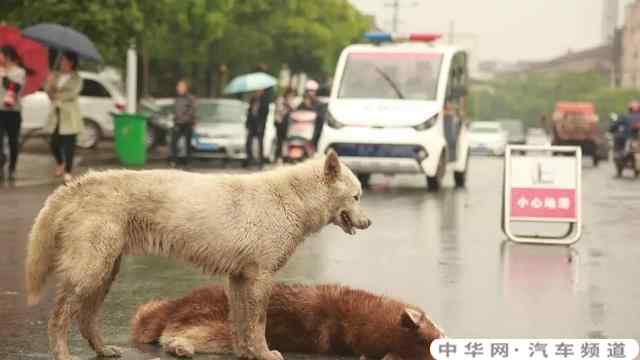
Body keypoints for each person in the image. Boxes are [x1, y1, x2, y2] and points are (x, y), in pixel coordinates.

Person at [44, 51, 83, 183]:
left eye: (64, 60)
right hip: (56, 115)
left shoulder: (77, 78)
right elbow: (49, 94)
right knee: (53, 142)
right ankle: (60, 162)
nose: (62, 62)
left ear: (71, 62)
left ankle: (68, 171)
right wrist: (49, 85)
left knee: (69, 144)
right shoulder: (55, 75)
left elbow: (72, 94)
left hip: (70, 115)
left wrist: (56, 94)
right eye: (61, 60)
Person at [0, 46, 26, 181]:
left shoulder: (19, 72)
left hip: (13, 112)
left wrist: (4, 74)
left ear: (7, 56)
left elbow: (13, 88)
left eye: (1, 54)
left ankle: (12, 168)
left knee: (12, 141)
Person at [171, 79, 196, 167]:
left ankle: (188, 162)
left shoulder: (190, 98)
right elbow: (175, 110)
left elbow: (192, 111)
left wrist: (184, 118)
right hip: (177, 123)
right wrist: (175, 119)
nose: (179, 88)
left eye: (181, 87)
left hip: (187, 124)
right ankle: (174, 161)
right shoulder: (177, 98)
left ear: (185, 88)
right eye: (178, 87)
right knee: (173, 142)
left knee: (187, 144)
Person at [244, 88, 270, 168]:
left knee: (260, 143)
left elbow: (265, 113)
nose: (257, 92)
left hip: (260, 125)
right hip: (252, 125)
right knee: (248, 142)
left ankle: (260, 162)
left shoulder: (265, 100)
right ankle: (249, 160)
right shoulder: (252, 99)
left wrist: (261, 125)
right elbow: (249, 112)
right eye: (256, 91)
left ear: (262, 91)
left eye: (259, 91)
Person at [274, 87, 296, 162]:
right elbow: (279, 111)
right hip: (280, 123)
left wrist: (289, 105)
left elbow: (294, 109)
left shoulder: (291, 101)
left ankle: (285, 157)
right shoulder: (281, 100)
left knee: (286, 141)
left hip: (288, 124)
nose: (291, 97)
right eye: (290, 95)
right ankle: (277, 156)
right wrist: (285, 106)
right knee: (279, 141)